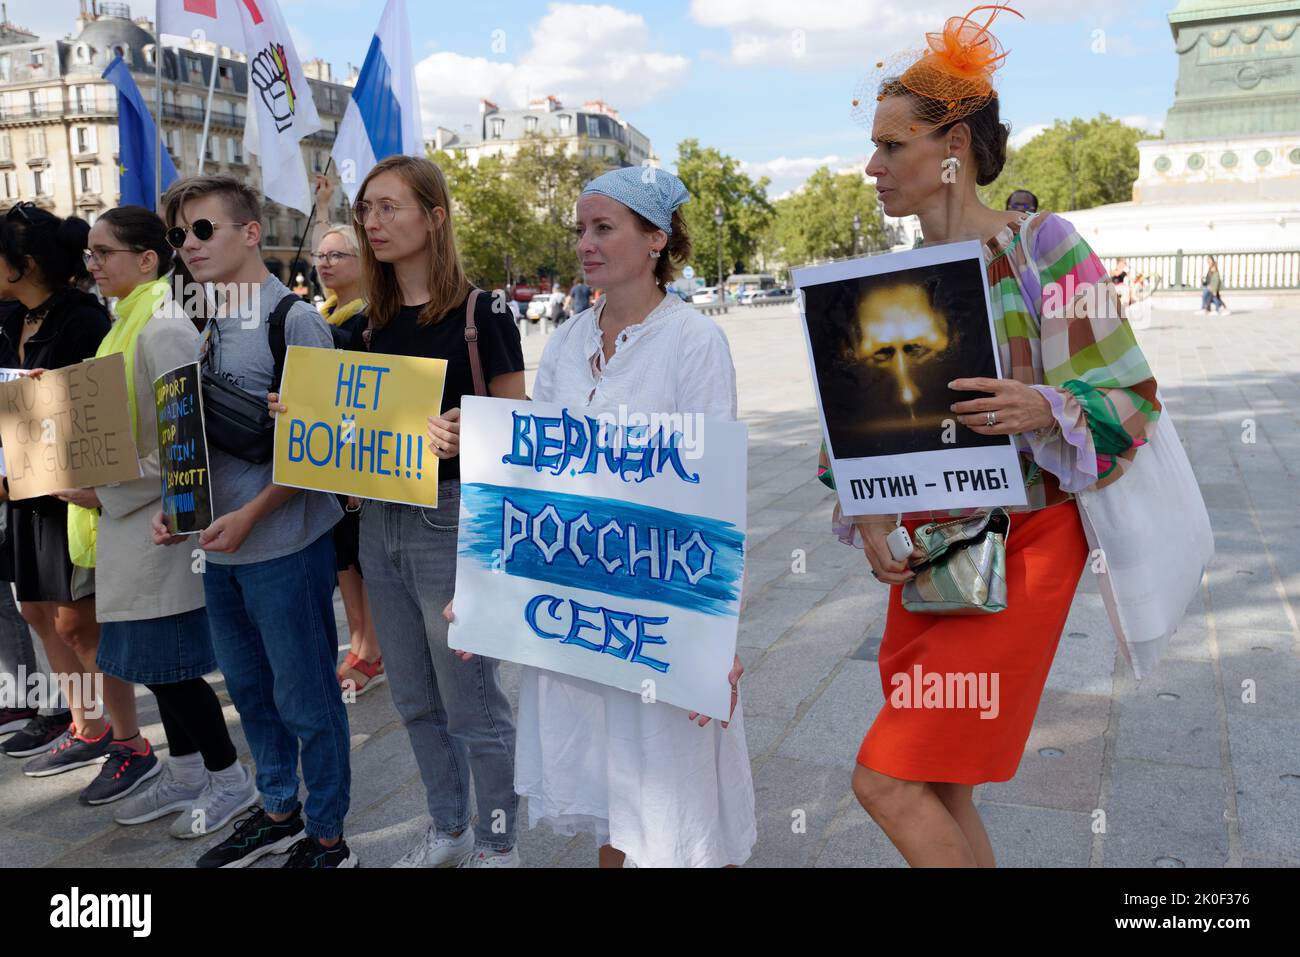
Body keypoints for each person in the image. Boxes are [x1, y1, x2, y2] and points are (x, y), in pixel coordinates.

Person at [838, 4, 1161, 866]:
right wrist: (866, 512)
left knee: (885, 779)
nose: (871, 165)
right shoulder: (883, 279)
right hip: (927, 556)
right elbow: (862, 429)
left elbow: (1132, 394)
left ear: (955, 147)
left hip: (1024, 549)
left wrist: (1042, 405)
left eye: (891, 144)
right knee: (939, 784)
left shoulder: (1045, 245)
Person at [450, 167, 758, 868]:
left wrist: (717, 636)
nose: (585, 243)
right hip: (582, 611)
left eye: (603, 227)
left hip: (657, 613)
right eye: (581, 229)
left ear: (655, 239)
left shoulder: (693, 341)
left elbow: (713, 496)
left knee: (678, 801)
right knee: (613, 800)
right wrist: (488, 592)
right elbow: (535, 476)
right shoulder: (566, 341)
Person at [272, 155, 527, 868]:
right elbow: (354, 428)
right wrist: (303, 417)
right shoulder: (369, 323)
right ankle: (447, 825)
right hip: (379, 520)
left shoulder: (483, 313)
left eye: (388, 207)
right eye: (365, 210)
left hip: (451, 516)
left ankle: (499, 836)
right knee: (413, 695)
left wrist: (463, 426)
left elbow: (519, 424)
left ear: (435, 217)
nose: (372, 223)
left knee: (473, 699)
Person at [152, 176, 354, 869]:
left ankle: (328, 836)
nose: (188, 245)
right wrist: (179, 509)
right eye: (180, 234)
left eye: (202, 229)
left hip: (284, 546)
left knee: (307, 695)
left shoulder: (293, 321)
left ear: (250, 232)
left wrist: (252, 514)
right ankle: (276, 810)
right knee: (249, 694)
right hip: (221, 551)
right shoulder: (202, 321)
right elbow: (196, 433)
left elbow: (323, 453)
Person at [61, 206, 255, 822]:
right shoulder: (128, 321)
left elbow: (183, 439)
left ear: (147, 260)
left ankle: (229, 779)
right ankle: (188, 770)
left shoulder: (161, 327)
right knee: (156, 666)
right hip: (129, 522)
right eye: (88, 253)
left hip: (157, 526)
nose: (91, 265)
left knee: (171, 669)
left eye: (102, 253)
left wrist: (106, 488)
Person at [0, 203, 134, 791]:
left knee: (78, 622)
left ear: (23, 264)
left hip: (69, 494)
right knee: (36, 610)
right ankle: (86, 724)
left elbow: (101, 410)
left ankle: (116, 730)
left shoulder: (83, 318)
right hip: (21, 490)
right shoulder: (12, 319)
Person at [309, 174, 383, 695]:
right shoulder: (322, 317)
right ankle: (357, 640)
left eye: (337, 255)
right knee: (342, 560)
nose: (325, 262)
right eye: (321, 255)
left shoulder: (371, 321)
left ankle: (371, 648)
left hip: (361, 460)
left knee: (360, 557)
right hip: (330, 456)